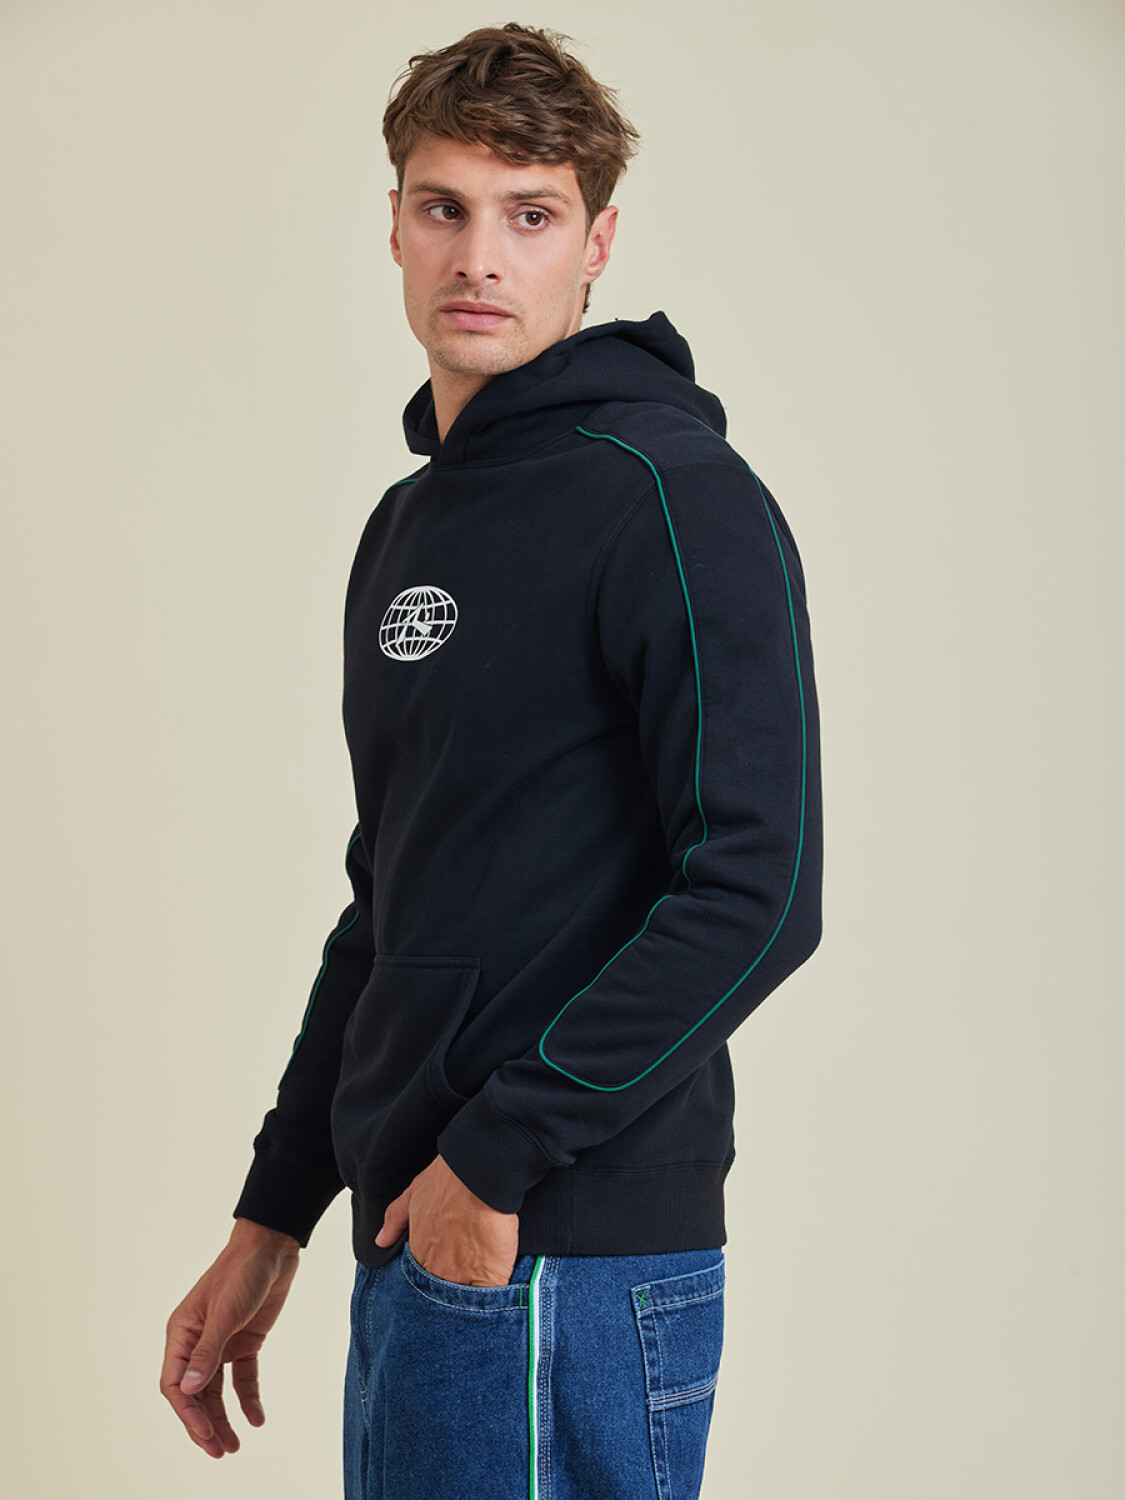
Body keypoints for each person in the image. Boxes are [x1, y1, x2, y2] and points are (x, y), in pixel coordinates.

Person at [161, 23, 822, 1500]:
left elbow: (760, 890)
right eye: (444, 208)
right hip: (420, 1232)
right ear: (392, 226)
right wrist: (273, 1215)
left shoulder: (675, 497)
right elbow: (391, 900)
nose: (479, 257)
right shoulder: (407, 528)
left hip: (554, 1245)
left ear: (597, 245)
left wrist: (497, 1159)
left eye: (530, 215)